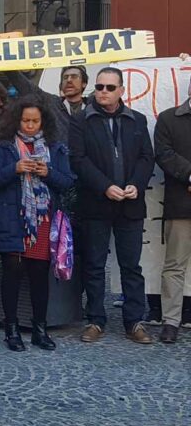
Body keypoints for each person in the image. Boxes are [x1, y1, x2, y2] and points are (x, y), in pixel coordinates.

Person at [69, 67, 155, 345]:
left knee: (131, 266)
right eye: (99, 87)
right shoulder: (81, 121)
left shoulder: (137, 120)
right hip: (95, 203)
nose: (103, 92)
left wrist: (136, 184)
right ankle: (95, 319)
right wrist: (104, 185)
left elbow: (146, 158)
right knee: (94, 265)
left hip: (130, 204)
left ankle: (134, 321)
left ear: (121, 90)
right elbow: (78, 160)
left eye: (109, 87)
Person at [0, 96, 75, 351]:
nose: (30, 126)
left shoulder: (55, 148)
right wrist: (14, 168)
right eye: (25, 121)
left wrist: (49, 173)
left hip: (43, 219)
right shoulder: (5, 147)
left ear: (43, 121)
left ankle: (39, 329)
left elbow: (68, 182)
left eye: (35, 121)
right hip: (13, 217)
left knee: (39, 275)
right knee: (11, 273)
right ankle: (11, 329)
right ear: (17, 120)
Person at [154, 80, 191, 343]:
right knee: (175, 266)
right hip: (182, 204)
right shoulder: (168, 119)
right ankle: (171, 321)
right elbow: (164, 154)